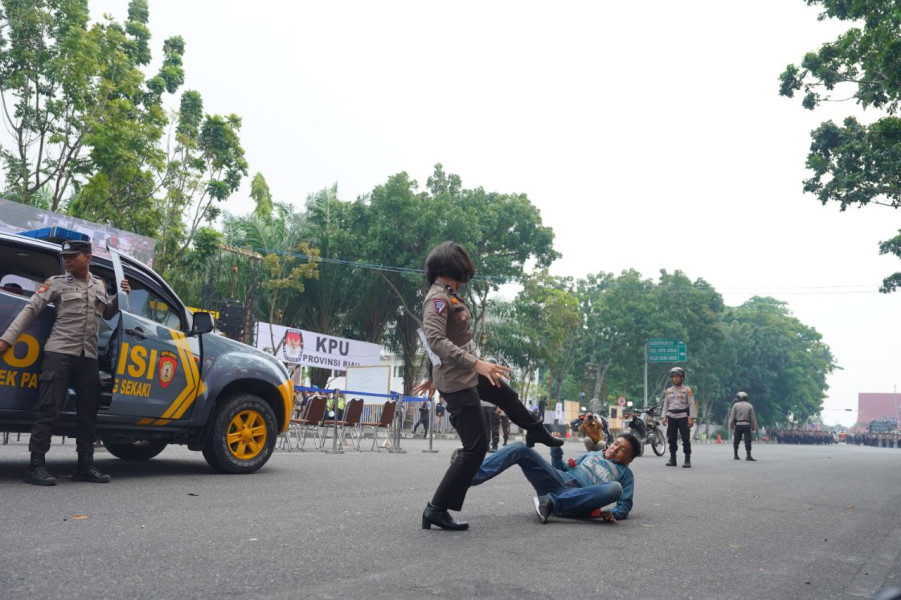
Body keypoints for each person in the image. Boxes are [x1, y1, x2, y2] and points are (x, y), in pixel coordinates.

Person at [413, 241, 562, 531]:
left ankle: (535, 431)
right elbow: (434, 340)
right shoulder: (438, 300)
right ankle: (435, 509)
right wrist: (474, 364)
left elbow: (442, 343)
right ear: (454, 267)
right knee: (475, 447)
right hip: (458, 381)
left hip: (464, 372)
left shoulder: (449, 295)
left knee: (504, 391)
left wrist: (433, 375)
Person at [0, 239, 130, 486]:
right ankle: (36, 466)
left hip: (88, 357)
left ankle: (85, 465)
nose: (67, 260)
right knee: (49, 408)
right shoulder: (56, 283)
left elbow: (107, 314)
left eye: (72, 256)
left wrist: (122, 295)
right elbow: (30, 310)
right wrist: (6, 341)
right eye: (65, 256)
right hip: (59, 353)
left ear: (87, 258)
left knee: (88, 413)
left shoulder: (99, 285)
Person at [470, 433, 640, 523]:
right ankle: (470, 474)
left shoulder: (625, 474)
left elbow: (624, 505)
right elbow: (562, 469)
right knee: (521, 448)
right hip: (559, 480)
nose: (615, 449)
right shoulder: (592, 454)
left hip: (578, 500)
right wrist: (555, 450)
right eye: (616, 444)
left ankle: (552, 502)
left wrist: (612, 514)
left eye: (623, 450)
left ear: (629, 459)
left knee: (614, 488)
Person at [661, 366, 695, 468]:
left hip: (683, 416)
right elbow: (666, 405)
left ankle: (687, 459)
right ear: (671, 378)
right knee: (671, 439)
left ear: (682, 378)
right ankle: (672, 458)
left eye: (678, 377)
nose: (676, 379)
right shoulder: (668, 390)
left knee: (685, 438)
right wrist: (664, 416)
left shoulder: (687, 390)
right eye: (674, 377)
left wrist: (691, 418)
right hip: (671, 416)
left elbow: (691, 404)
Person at [729, 391, 758, 461]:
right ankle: (748, 455)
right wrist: (754, 426)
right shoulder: (749, 405)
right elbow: (753, 417)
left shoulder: (735, 405)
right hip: (746, 425)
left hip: (738, 425)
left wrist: (731, 424)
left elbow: (732, 417)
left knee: (736, 440)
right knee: (748, 440)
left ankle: (736, 455)